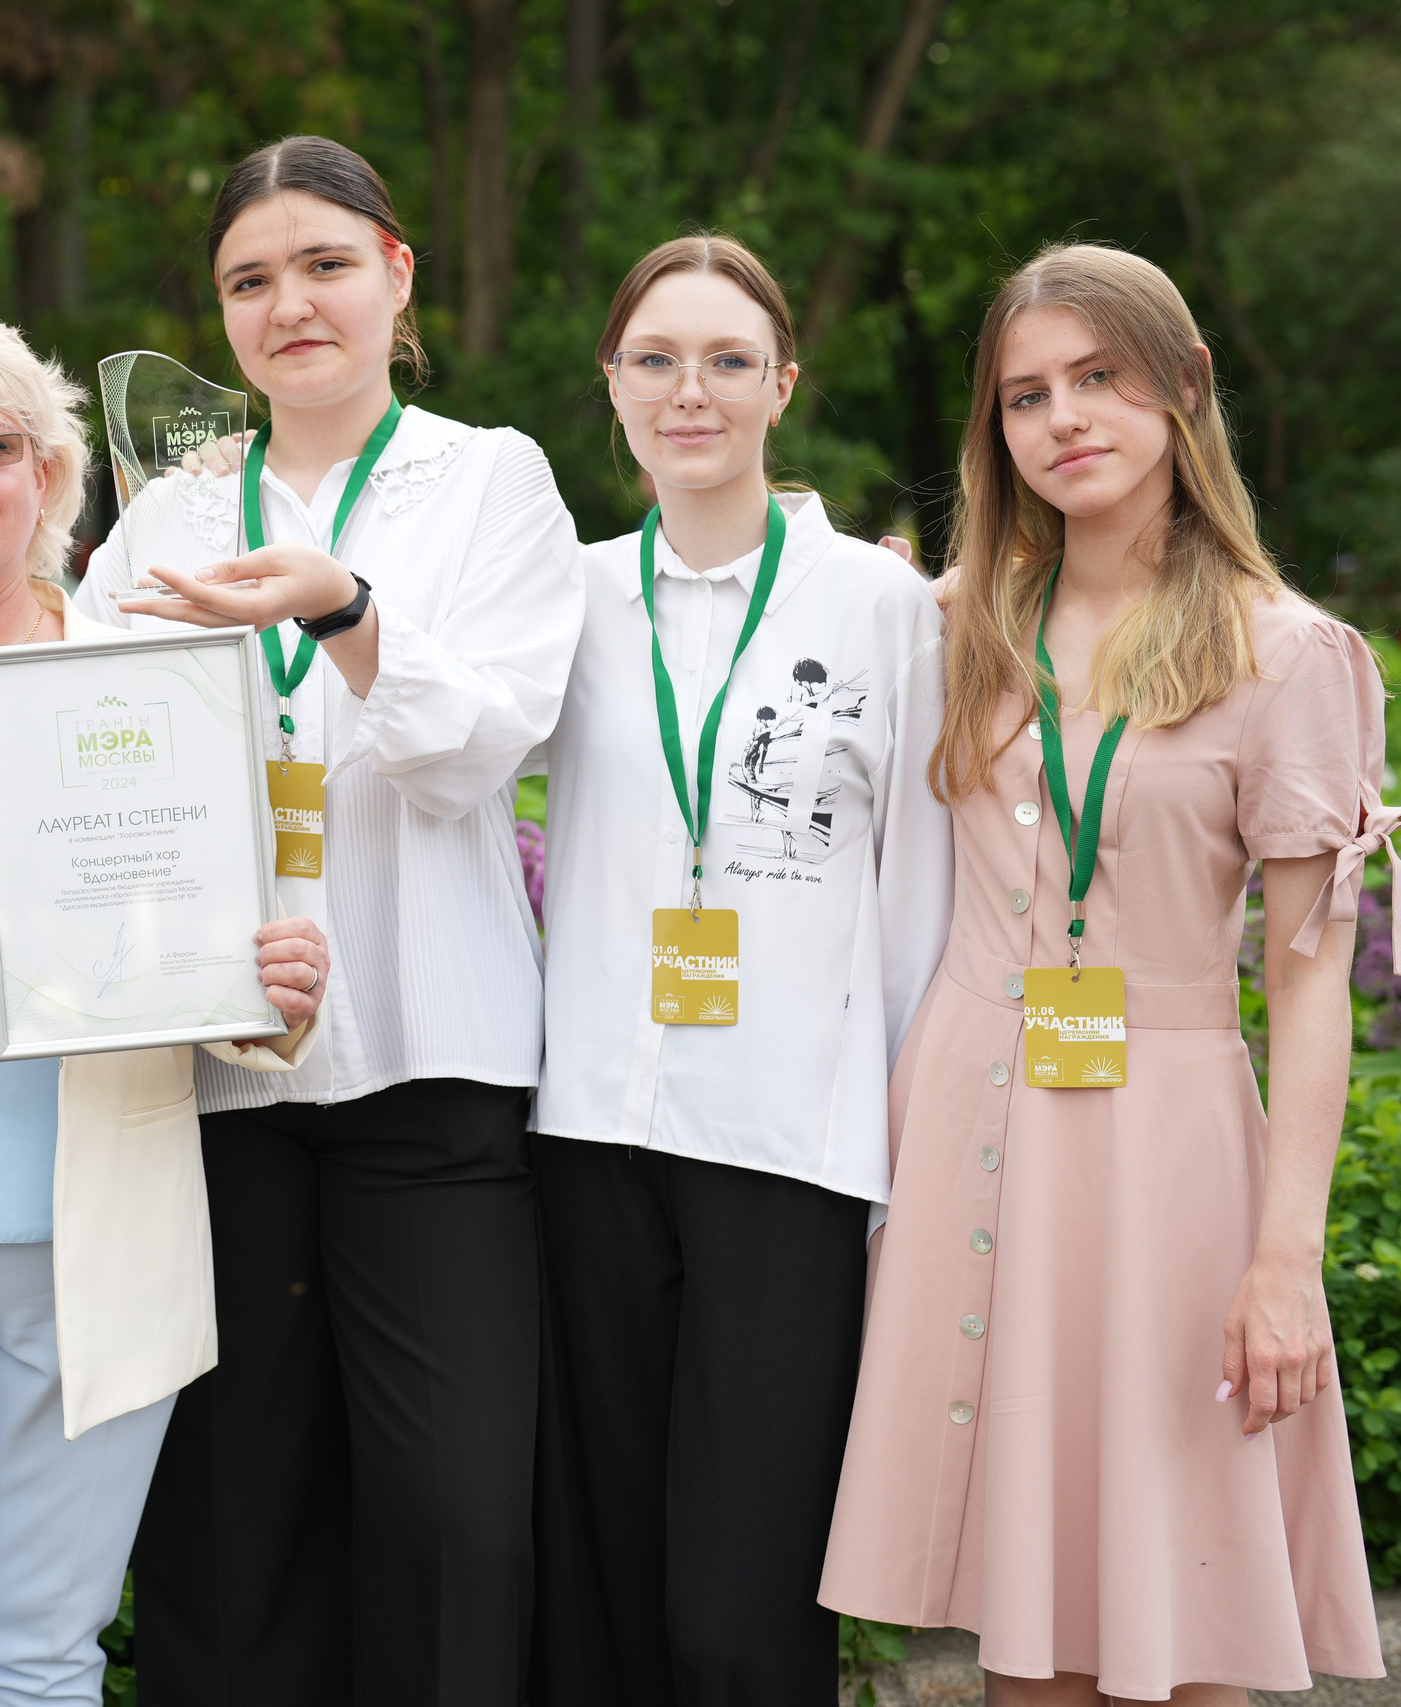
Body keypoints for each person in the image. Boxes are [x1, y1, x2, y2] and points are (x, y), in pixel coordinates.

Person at [821, 242, 1388, 1704]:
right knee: (1027, 1634)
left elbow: (1312, 983)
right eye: (1026, 395)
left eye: (1099, 379)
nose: (1063, 418)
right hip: (969, 1129)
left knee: (1176, 1615)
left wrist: (1285, 1258)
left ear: (1186, 387)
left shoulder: (1291, 654)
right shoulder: (955, 629)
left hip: (1169, 1163)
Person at [77, 136, 586, 1707]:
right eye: (249, 280)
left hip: (434, 1070)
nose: (288, 303)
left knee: (453, 1515)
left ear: (396, 274)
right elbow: (85, 777)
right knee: (234, 1521)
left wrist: (342, 608)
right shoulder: (162, 509)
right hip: (221, 1082)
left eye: (322, 265)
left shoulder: (491, 478)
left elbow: (486, 747)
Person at [0, 298, 331, 1707]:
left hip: (93, 1237)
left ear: (48, 476)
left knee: (42, 1664)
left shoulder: (149, 683)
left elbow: (220, 960)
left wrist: (270, 993)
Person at [525, 234, 951, 1704]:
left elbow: (923, 897)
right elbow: (415, 739)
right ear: (613, 386)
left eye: (723, 361)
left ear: (783, 383)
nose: (686, 391)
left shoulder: (887, 611)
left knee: (743, 1595)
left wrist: (907, 1148)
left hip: (792, 1145)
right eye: (654, 360)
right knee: (600, 1583)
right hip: (588, 1127)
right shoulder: (562, 599)